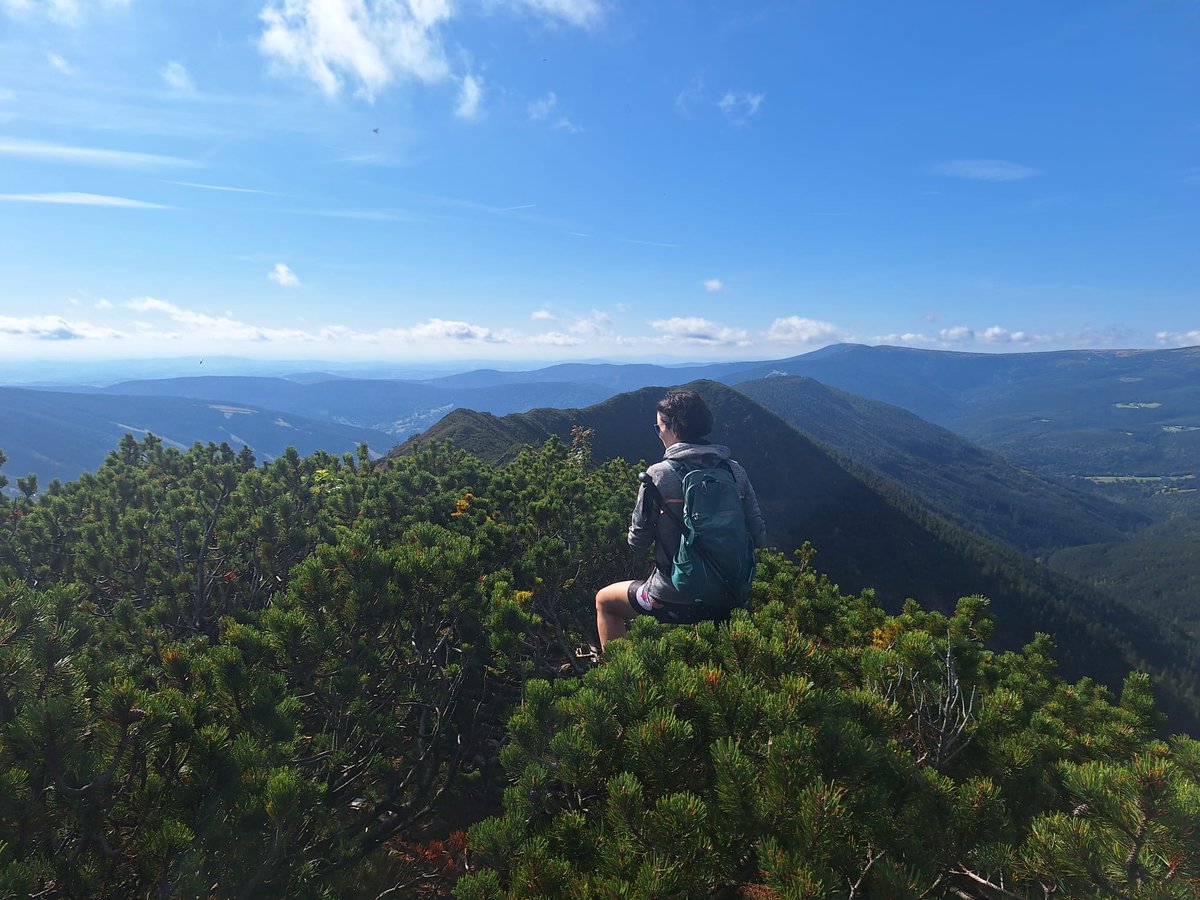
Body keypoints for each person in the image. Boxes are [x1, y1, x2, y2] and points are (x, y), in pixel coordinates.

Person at [595, 388, 767, 649]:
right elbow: (759, 535)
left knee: (605, 601)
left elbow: (637, 543)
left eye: (659, 427)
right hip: (731, 595)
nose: (659, 433)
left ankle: (617, 676)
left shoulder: (658, 475)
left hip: (672, 597)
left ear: (673, 428)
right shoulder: (735, 471)